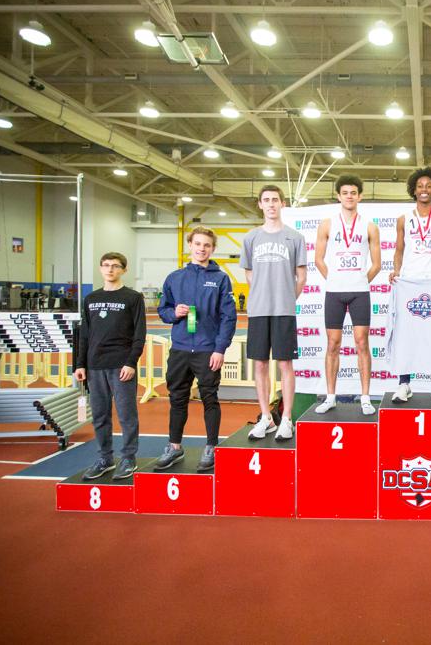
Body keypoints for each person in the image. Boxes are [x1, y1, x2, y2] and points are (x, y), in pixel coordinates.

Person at [155, 227, 237, 471]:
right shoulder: (174, 277)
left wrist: (220, 349)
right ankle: (174, 447)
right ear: (190, 245)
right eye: (198, 244)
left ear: (212, 249)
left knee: (209, 398)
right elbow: (163, 310)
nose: (202, 248)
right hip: (180, 349)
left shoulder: (221, 279)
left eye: (207, 245)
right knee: (177, 399)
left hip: (207, 350)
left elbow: (228, 317)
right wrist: (173, 313)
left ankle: (211, 446)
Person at [73, 253, 146, 480]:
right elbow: (84, 334)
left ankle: (128, 458)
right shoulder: (91, 299)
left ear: (124, 270)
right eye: (106, 265)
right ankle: (105, 458)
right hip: (95, 367)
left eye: (115, 266)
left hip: (121, 365)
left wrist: (131, 362)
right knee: (100, 416)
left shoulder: (133, 298)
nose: (110, 269)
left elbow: (139, 334)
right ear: (100, 268)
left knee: (127, 415)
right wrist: (80, 363)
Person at [242, 185, 307, 440]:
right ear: (260, 204)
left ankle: (287, 418)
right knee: (259, 363)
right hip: (258, 311)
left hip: (283, 310)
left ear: (282, 204)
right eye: (266, 200)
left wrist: (286, 298)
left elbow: (301, 277)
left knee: (285, 364)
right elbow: (248, 273)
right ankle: (266, 418)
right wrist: (262, 292)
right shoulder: (250, 238)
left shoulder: (295, 237)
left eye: (275, 200)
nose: (271, 204)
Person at [313, 175, 382, 416]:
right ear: (338, 195)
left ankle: (365, 396)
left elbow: (376, 264)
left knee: (362, 343)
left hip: (359, 292)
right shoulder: (327, 224)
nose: (350, 196)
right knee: (333, 344)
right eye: (345, 192)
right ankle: (331, 396)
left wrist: (361, 280)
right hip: (334, 292)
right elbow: (318, 259)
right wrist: (333, 279)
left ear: (360, 196)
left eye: (354, 192)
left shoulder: (370, 226)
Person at [388, 167, 431, 403]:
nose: (424, 190)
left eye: (428, 186)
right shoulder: (403, 219)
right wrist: (397, 272)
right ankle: (404, 383)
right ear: (414, 190)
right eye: (420, 186)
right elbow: (399, 250)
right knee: (407, 334)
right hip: (410, 281)